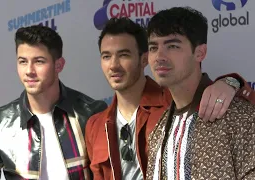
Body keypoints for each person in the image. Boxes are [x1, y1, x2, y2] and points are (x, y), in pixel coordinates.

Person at [85, 17, 255, 180]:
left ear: (143, 59)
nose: (114, 65)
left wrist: (232, 82)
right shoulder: (95, 125)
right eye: (106, 56)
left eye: (124, 55)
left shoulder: (172, 104)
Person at [0, 25, 107, 180]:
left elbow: (109, 174)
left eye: (39, 61)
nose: (29, 70)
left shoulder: (91, 114)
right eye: (22, 61)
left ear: (59, 65)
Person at [145, 7, 255, 179]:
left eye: (172, 46)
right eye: (153, 48)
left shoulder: (238, 116)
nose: (159, 56)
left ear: (200, 52)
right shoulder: (157, 131)